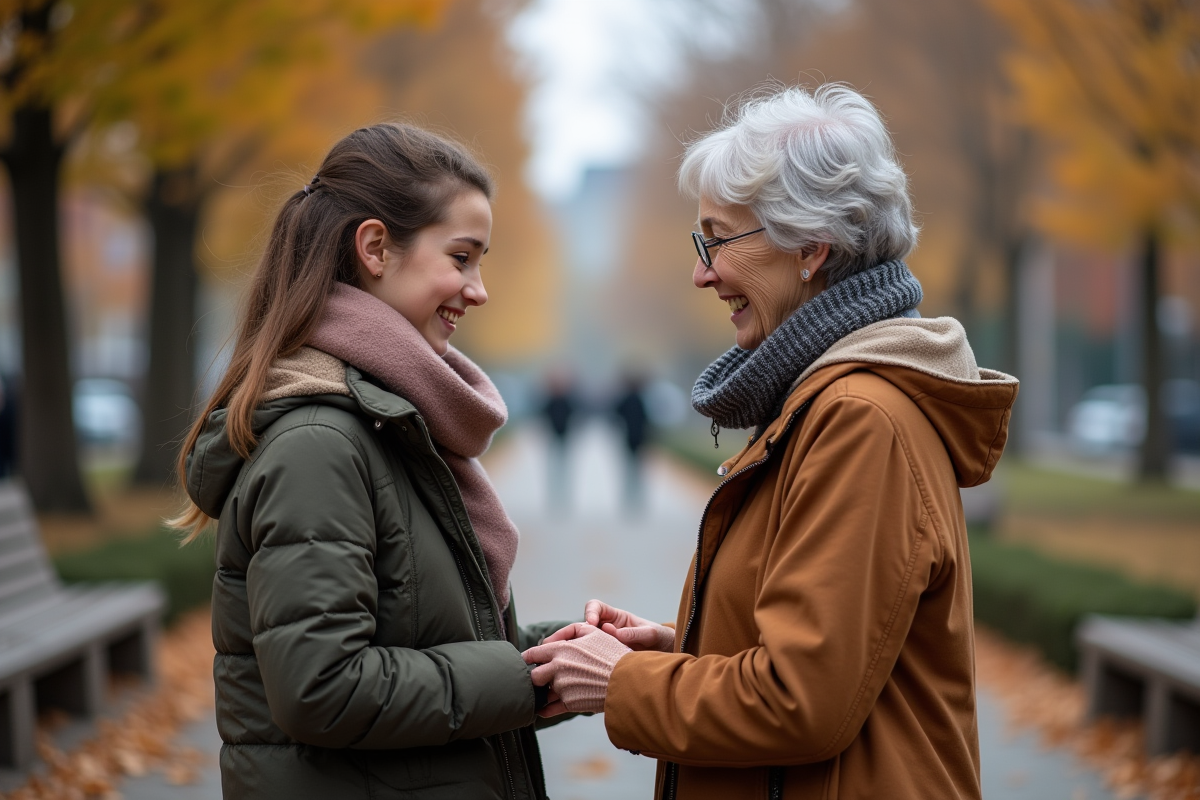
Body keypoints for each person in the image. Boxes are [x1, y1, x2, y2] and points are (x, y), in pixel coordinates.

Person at [522, 84, 1019, 799]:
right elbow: (831, 652)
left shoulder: (858, 419)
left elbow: (800, 700)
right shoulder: (830, 403)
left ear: (809, 247)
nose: (701, 273)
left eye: (717, 239)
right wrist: (679, 646)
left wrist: (621, 680)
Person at [170, 123, 570, 799]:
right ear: (377, 248)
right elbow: (323, 690)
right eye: (462, 256)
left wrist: (565, 652)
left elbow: (418, 643)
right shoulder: (322, 443)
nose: (479, 290)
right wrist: (524, 682)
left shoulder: (388, 423)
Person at [611, 372, 651, 513]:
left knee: (629, 469)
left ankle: (629, 498)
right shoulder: (641, 399)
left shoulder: (626, 399)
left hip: (629, 438)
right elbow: (648, 420)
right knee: (637, 470)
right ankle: (636, 498)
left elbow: (615, 414)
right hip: (639, 439)